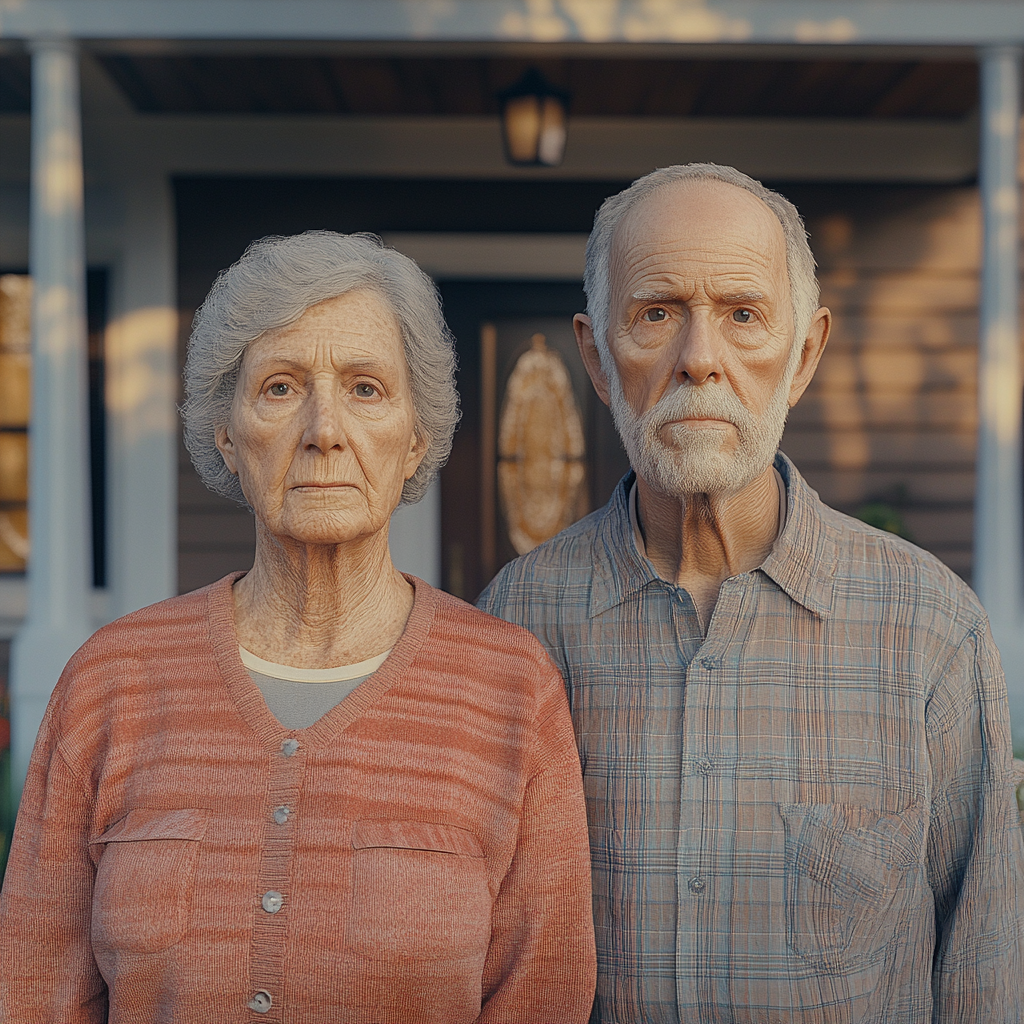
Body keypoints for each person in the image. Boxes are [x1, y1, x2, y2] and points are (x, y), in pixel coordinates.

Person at [0, 231, 596, 1023]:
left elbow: (541, 996)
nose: (324, 429)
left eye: (366, 388)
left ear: (416, 438)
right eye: (280, 388)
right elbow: (37, 991)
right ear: (226, 432)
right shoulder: (114, 679)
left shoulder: (510, 688)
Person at [479, 164, 1024, 1023]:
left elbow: (986, 967)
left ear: (803, 354)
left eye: (743, 316)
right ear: (595, 356)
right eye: (656, 314)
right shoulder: (518, 620)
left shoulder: (927, 628)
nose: (701, 360)